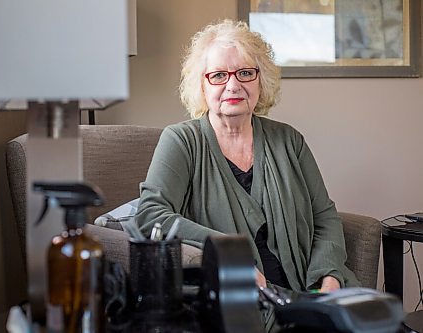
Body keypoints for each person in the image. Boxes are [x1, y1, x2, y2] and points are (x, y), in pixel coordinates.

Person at [135, 19, 359, 330]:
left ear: (260, 79)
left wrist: (328, 276)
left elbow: (324, 216)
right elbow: (151, 216)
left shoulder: (288, 140)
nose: (233, 85)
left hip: (303, 294)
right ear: (201, 85)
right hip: (233, 298)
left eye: (244, 73)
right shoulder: (181, 141)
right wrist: (228, 254)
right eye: (218, 75)